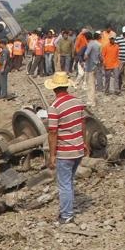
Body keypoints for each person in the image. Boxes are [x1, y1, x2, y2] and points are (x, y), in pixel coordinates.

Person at [44, 71, 89, 224]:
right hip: (78, 149)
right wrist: (84, 142)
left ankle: (67, 215)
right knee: (69, 181)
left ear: (54, 89)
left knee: (64, 184)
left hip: (65, 152)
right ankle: (68, 209)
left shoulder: (54, 107)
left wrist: (52, 155)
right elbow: (83, 123)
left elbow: (53, 132)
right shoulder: (77, 102)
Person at [82, 31, 102, 105]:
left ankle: (91, 101)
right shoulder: (98, 44)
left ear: (86, 38)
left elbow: (86, 55)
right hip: (96, 65)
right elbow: (100, 56)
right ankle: (93, 99)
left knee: (90, 84)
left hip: (90, 67)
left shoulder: (90, 45)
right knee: (93, 83)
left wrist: (84, 61)